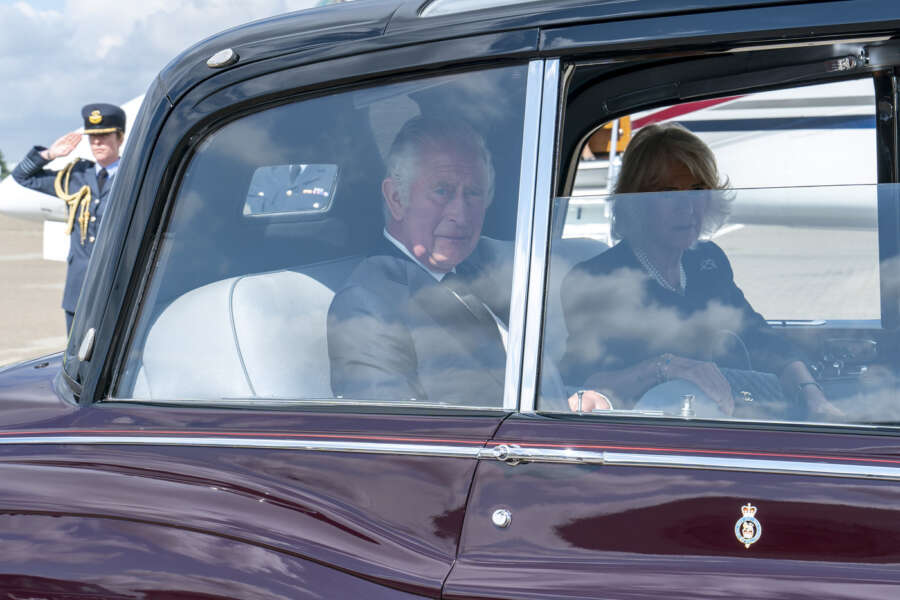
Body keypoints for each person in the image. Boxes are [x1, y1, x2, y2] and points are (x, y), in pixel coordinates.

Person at [561, 122, 838, 420]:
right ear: (635, 203)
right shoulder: (597, 279)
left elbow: (758, 337)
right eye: (667, 193)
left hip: (732, 418)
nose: (687, 207)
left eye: (696, 190)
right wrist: (666, 367)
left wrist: (811, 393)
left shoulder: (707, 260)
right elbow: (580, 388)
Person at [327, 116, 608, 410]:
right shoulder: (369, 304)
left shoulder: (477, 269)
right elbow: (395, 438)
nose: (460, 215)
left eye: (473, 193)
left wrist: (572, 401)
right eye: (442, 191)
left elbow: (506, 383)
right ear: (396, 197)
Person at [13, 103, 126, 332]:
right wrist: (50, 154)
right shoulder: (75, 176)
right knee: (74, 361)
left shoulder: (131, 176)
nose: (97, 143)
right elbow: (23, 176)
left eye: (104, 136)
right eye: (93, 137)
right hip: (78, 290)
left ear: (120, 137)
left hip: (117, 288)